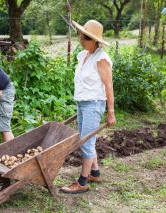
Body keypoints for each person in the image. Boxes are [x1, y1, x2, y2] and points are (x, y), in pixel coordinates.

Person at [61, 20, 116, 194]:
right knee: (86, 139)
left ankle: (83, 182)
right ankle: (95, 172)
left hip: (94, 104)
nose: (80, 39)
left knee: (86, 141)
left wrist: (111, 112)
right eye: (80, 35)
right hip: (82, 103)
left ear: (94, 40)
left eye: (84, 37)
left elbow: (109, 86)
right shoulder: (84, 55)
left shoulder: (101, 58)